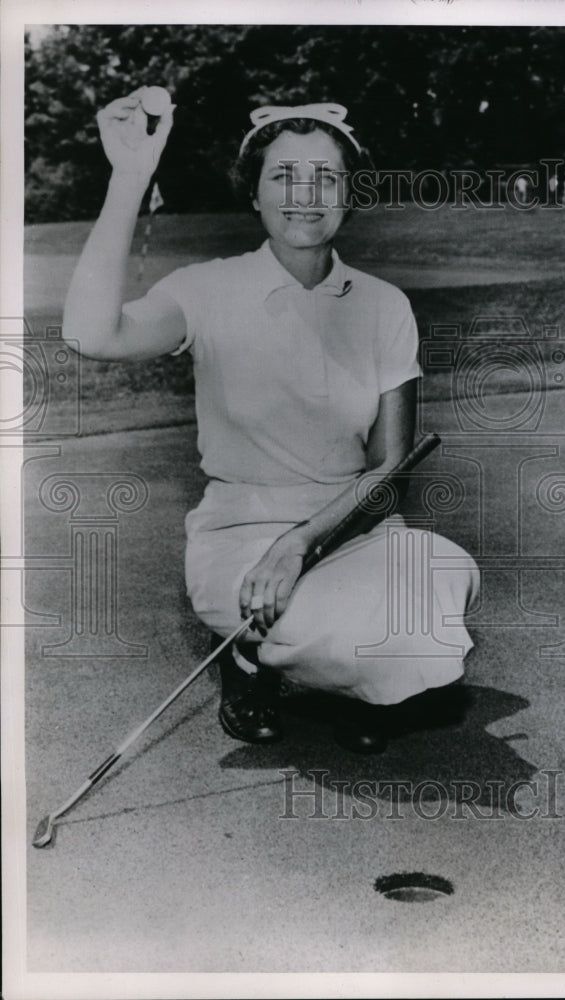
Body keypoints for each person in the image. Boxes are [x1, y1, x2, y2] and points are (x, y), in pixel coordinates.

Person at [63, 91, 479, 754]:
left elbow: (388, 473)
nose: (305, 194)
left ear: (350, 193)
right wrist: (131, 176)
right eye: (283, 175)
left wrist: (300, 545)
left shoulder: (384, 305)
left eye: (326, 177)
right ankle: (256, 659)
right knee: (362, 636)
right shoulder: (205, 289)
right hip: (241, 540)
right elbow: (91, 335)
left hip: (353, 528)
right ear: (253, 194)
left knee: (440, 568)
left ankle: (340, 670)